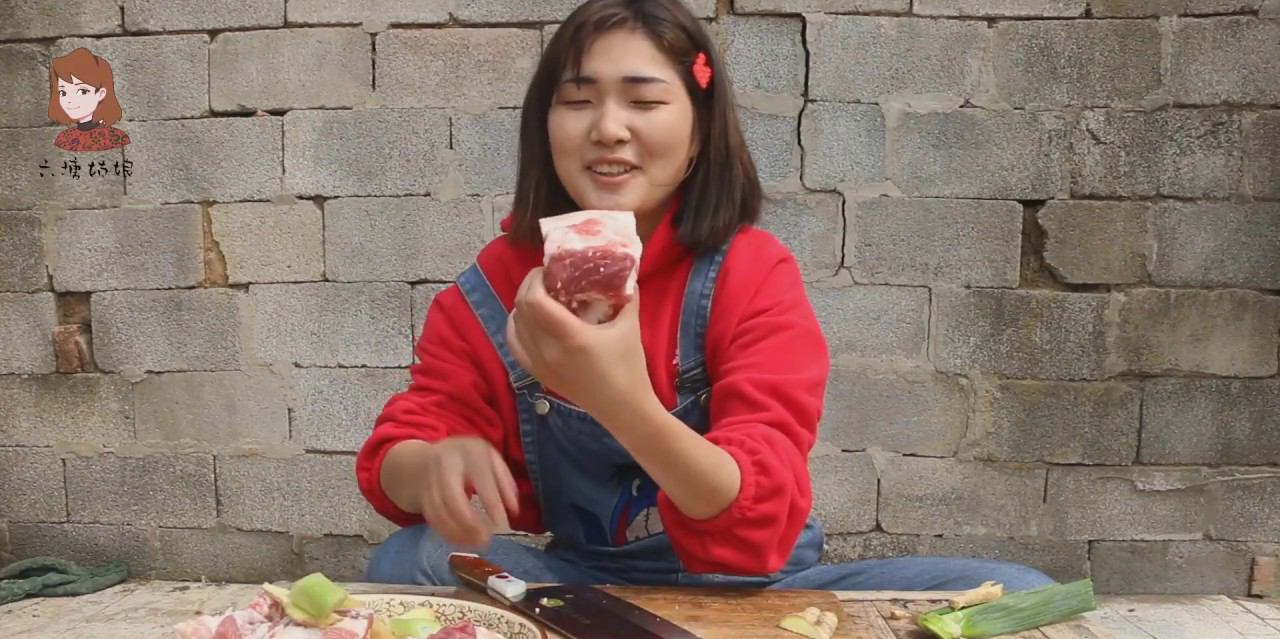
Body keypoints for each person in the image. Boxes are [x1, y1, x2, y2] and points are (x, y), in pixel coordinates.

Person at [357, 0, 1055, 593]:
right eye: (577, 101)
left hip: (758, 590)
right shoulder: (499, 286)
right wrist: (431, 468)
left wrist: (619, 399)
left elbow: (758, 523)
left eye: (644, 101)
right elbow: (400, 451)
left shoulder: (750, 273)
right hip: (585, 587)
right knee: (410, 560)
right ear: (546, 126)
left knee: (1022, 595)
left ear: (697, 133)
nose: (607, 128)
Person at [48, 47, 131, 152]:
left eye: (82, 91)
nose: (70, 100)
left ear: (100, 94)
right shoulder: (63, 139)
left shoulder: (116, 138)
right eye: (63, 92)